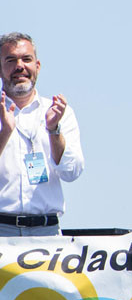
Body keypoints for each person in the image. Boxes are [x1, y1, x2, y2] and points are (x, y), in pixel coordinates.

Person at [0, 33, 84, 236]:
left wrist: (54, 130)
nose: (20, 66)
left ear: (37, 66)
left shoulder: (58, 111)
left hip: (47, 233)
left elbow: (72, 172)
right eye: (11, 60)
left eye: (26, 59)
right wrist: (5, 133)